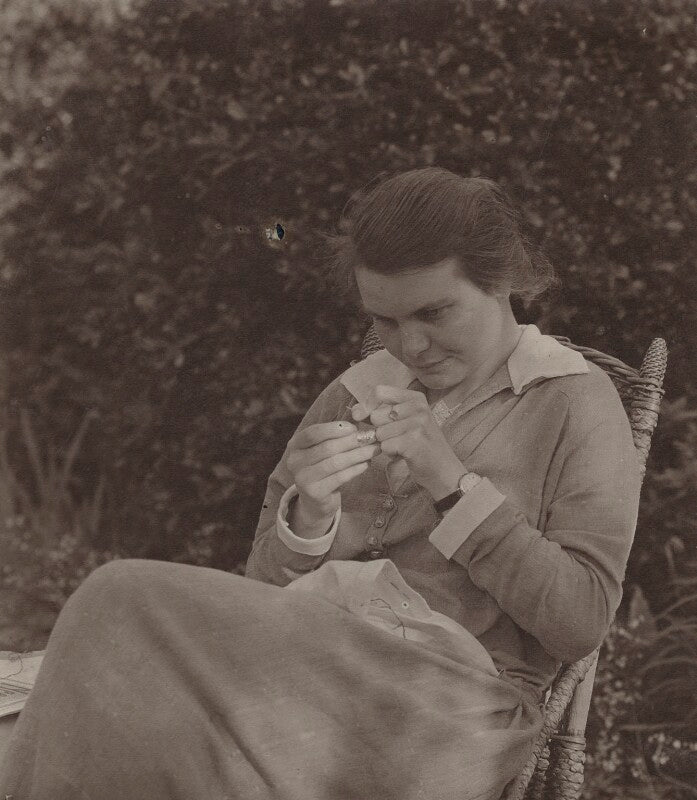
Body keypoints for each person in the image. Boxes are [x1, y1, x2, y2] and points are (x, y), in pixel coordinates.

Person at [0, 168, 642, 800]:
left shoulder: (573, 401)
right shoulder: (356, 390)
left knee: (117, 601)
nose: (411, 346)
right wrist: (308, 519)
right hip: (302, 685)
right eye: (385, 321)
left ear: (500, 282)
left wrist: (452, 484)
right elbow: (262, 593)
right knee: (86, 703)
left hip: (448, 715)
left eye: (433, 312)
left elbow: (580, 621)